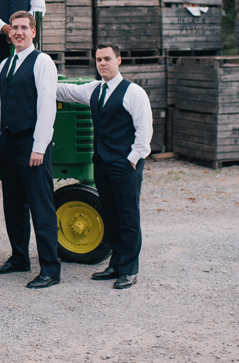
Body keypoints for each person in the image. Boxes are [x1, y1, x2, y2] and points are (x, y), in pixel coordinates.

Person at [55, 42, 152, 290]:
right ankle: (115, 265)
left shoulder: (134, 93)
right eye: (99, 59)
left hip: (125, 165)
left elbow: (144, 132)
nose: (102, 64)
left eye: (107, 59)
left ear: (118, 61)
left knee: (128, 217)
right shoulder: (94, 90)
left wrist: (132, 160)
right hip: (102, 164)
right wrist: (40, 83)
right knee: (110, 215)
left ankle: (129, 270)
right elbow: (64, 92)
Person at [0, 11, 60, 289]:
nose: (18, 32)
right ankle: (19, 258)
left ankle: (50, 269)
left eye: (23, 28)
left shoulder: (43, 62)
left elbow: (46, 107)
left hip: (33, 145)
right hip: (9, 144)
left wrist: (39, 146)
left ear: (33, 32)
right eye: (14, 28)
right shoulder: (6, 65)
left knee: (41, 207)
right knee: (14, 206)